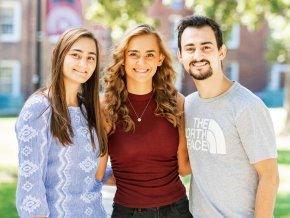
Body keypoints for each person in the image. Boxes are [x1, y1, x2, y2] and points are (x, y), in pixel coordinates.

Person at [177, 15, 279, 217]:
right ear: (180, 56)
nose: (198, 55)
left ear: (221, 51)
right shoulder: (187, 106)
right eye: (190, 48)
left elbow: (270, 176)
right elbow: (186, 167)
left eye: (206, 47)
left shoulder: (247, 106)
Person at [15, 27, 111, 218]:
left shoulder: (89, 110)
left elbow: (95, 176)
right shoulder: (39, 108)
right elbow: (31, 185)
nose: (84, 63)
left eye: (91, 58)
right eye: (76, 55)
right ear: (58, 55)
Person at [102, 24, 192, 218]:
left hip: (176, 210)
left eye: (150, 54)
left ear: (160, 59)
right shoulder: (105, 107)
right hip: (127, 211)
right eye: (133, 54)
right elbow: (95, 169)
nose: (142, 61)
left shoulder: (177, 102)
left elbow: (184, 167)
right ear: (123, 58)